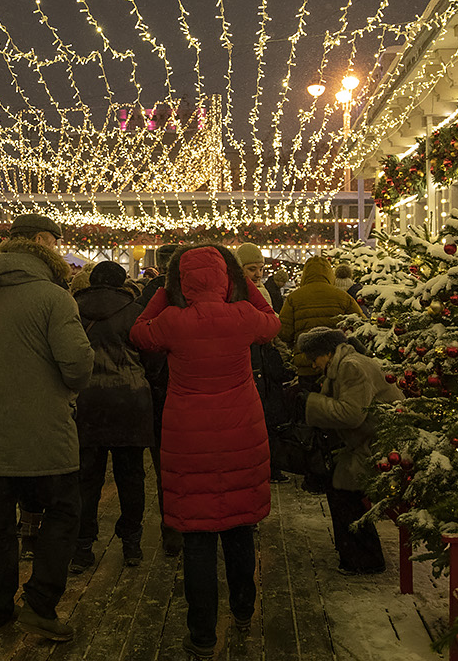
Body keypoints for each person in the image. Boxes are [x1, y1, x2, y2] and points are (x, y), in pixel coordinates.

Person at [130, 244, 281, 659]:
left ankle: (202, 635)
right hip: (240, 432)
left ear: (181, 282)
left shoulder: (173, 322)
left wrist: (165, 289)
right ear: (226, 278)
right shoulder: (243, 317)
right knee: (239, 527)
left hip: (188, 435)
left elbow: (139, 330)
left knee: (197, 537)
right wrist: (244, 284)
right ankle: (244, 609)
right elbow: (273, 322)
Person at [0, 213, 94, 642]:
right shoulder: (55, 298)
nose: (59, 248)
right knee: (62, 513)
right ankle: (40, 604)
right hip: (47, 430)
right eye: (56, 241)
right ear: (40, 241)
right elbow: (77, 366)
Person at [285, 327, 402, 574]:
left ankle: (365, 558)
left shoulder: (351, 367)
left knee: (343, 486)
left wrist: (310, 402)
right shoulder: (343, 363)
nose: (314, 365)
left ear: (326, 352)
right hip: (369, 438)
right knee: (334, 480)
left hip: (382, 444)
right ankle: (356, 553)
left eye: (314, 358)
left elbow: (351, 415)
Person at [70, 260, 153, 572]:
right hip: (129, 403)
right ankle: (131, 542)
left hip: (86, 404)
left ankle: (82, 547)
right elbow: (152, 357)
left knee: (86, 480)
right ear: (121, 284)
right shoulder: (135, 312)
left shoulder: (72, 309)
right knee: (131, 477)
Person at [133, 242, 182, 557]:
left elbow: (137, 339)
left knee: (165, 466)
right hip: (184, 386)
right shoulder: (185, 297)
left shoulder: (144, 298)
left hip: (154, 389)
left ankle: (172, 529)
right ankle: (191, 524)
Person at [236, 243, 291, 483]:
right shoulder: (238, 294)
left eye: (260, 268)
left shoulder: (263, 291)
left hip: (266, 360)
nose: (258, 274)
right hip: (250, 360)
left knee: (268, 415)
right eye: (251, 269)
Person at [278, 255, 364, 377]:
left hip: (307, 364)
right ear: (330, 274)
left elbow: (284, 333)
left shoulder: (294, 298)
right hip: (337, 364)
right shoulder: (343, 297)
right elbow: (360, 326)